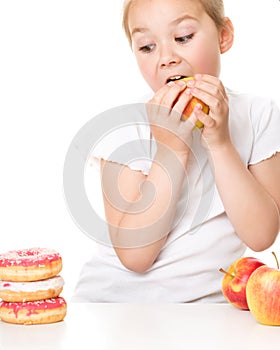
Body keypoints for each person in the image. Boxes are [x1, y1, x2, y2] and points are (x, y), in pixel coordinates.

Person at [72, 0, 280, 302]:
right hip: (115, 305)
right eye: (146, 46)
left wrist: (220, 142)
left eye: (183, 37)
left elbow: (261, 237)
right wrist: (171, 150)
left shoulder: (258, 115)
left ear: (223, 35)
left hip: (208, 312)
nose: (166, 58)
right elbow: (135, 257)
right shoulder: (125, 127)